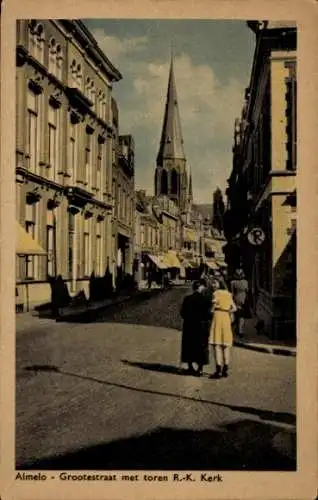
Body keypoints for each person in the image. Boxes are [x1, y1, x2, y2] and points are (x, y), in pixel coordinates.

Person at [180, 281, 212, 376]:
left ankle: (190, 367)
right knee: (202, 346)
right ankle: (200, 368)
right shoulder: (206, 299)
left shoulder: (187, 298)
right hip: (201, 326)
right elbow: (208, 314)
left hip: (189, 326)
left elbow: (182, 313)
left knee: (189, 345)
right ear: (201, 288)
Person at [209, 278, 236, 378]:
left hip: (218, 317)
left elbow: (212, 308)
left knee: (217, 344)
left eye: (214, 283)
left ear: (219, 284)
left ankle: (218, 370)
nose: (213, 285)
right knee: (226, 345)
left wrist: (213, 309)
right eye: (212, 283)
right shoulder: (228, 294)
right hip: (226, 318)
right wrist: (228, 311)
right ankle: (226, 368)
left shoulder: (216, 293)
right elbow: (234, 308)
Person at [230, 268, 249, 339]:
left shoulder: (232, 282)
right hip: (243, 300)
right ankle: (240, 331)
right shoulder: (245, 282)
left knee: (236, 316)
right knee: (241, 316)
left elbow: (232, 293)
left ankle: (238, 330)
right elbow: (247, 291)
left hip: (236, 299)